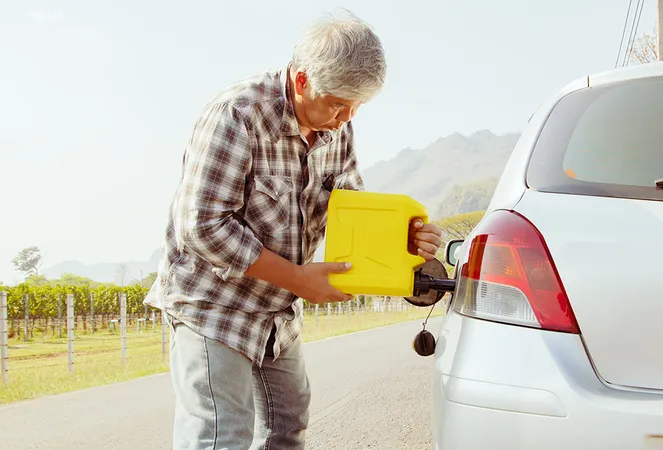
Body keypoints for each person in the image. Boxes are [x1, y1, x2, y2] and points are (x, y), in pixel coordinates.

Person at [143, 10, 443, 450]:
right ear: (302, 80)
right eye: (339, 103)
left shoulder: (336, 128)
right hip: (214, 307)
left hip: (276, 313)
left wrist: (405, 240)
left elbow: (350, 208)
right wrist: (299, 279)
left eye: (358, 105)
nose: (346, 117)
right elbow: (203, 227)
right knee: (221, 435)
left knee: (287, 427)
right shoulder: (237, 115)